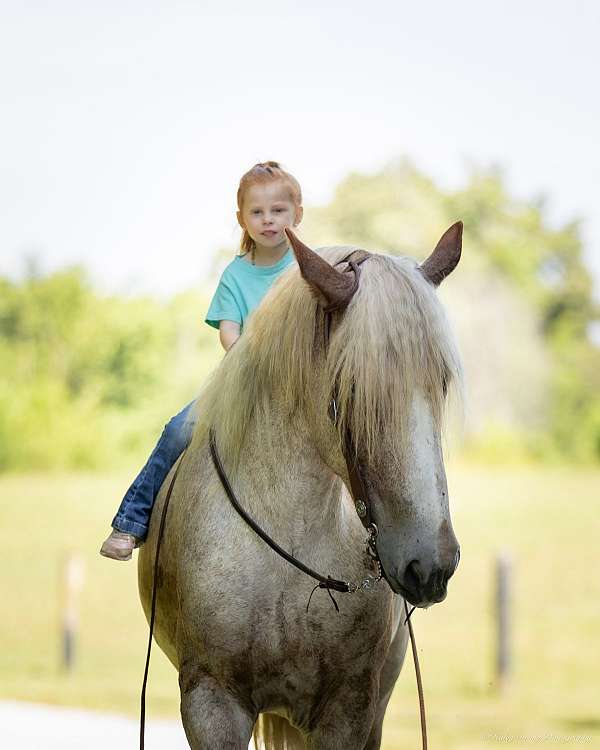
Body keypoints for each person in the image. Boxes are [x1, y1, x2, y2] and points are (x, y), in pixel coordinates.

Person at [100, 161, 304, 560]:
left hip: (299, 381)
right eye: (257, 212)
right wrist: (252, 351)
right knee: (179, 429)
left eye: (278, 211)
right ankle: (130, 521)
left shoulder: (304, 268)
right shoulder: (236, 274)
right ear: (241, 219)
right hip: (243, 379)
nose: (268, 220)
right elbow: (229, 331)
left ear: (297, 213)